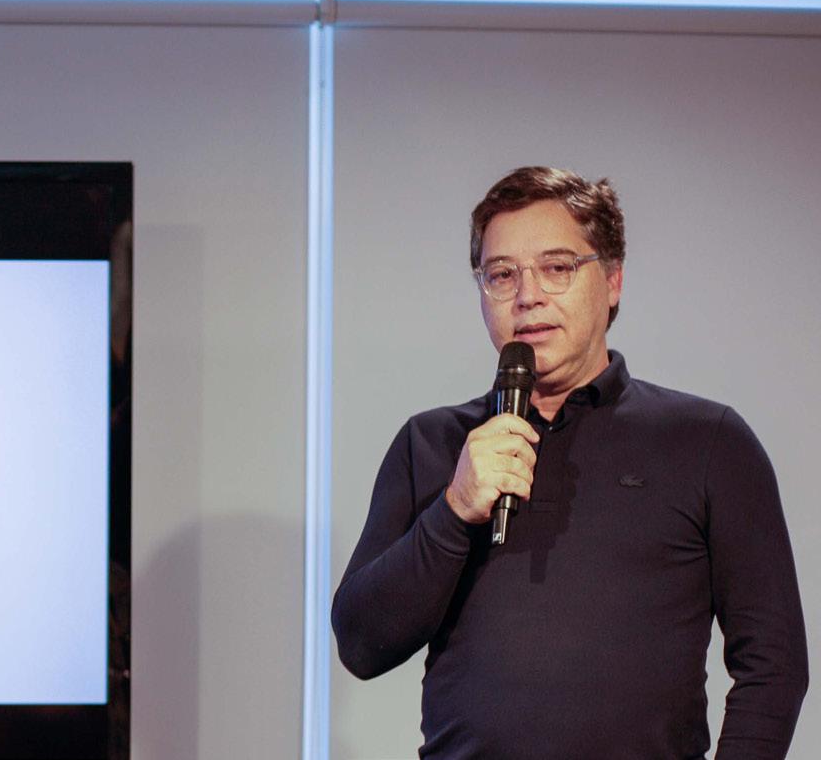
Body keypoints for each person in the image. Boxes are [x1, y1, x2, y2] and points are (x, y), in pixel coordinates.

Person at [332, 167, 807, 758]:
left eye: (557, 268)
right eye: (501, 274)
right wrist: (454, 512)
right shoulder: (434, 443)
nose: (527, 295)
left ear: (612, 281)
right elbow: (361, 645)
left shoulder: (708, 441)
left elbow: (774, 663)